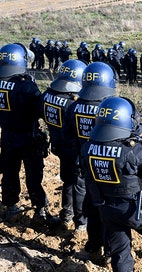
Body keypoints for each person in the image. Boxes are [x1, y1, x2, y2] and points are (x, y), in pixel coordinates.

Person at [80, 97, 142, 272]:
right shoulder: (133, 150)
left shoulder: (87, 147)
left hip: (106, 209)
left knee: (120, 252)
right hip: (133, 210)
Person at [0, 43, 60, 226]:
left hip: (7, 136)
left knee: (10, 172)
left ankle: (10, 207)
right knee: (33, 176)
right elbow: (39, 109)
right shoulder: (25, 85)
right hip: (28, 137)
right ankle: (40, 210)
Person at [62, 61, 118, 263]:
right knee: (110, 211)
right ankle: (110, 253)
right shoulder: (114, 109)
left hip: (86, 166)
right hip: (109, 169)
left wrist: (79, 159)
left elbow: (67, 138)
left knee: (92, 207)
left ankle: (93, 247)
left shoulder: (73, 107)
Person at [41, 59, 87, 228]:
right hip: (75, 149)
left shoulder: (47, 95)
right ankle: (81, 223)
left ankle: (66, 214)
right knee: (80, 185)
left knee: (68, 181)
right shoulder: (73, 102)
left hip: (58, 146)